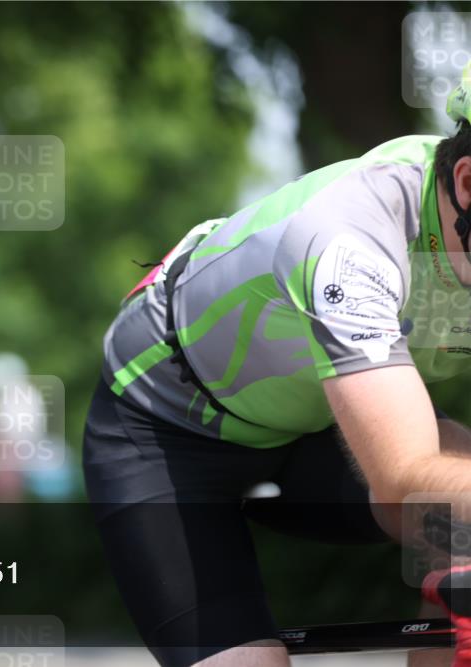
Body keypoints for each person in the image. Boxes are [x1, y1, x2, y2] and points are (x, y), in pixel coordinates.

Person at [84, 67, 471, 667]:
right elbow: (405, 478)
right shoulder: (351, 237)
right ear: (468, 184)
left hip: (320, 421)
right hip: (166, 431)